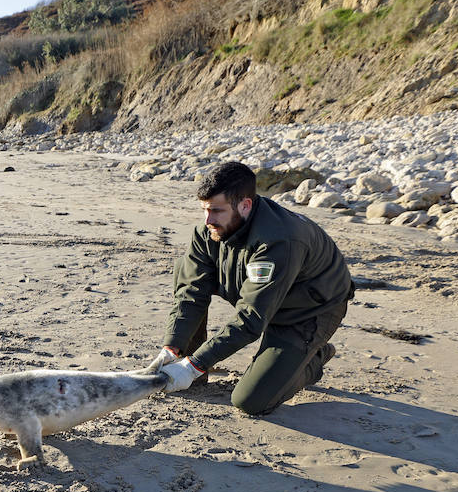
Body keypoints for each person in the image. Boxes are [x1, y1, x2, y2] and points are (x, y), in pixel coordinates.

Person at [144, 160, 353, 415]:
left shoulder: (279, 240)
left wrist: (194, 365)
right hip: (261, 294)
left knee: (251, 401)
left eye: (217, 211)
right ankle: (187, 368)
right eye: (204, 210)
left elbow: (252, 317)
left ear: (245, 205)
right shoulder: (209, 230)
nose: (208, 219)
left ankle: (314, 357)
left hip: (307, 311)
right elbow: (191, 292)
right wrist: (173, 346)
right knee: (185, 270)